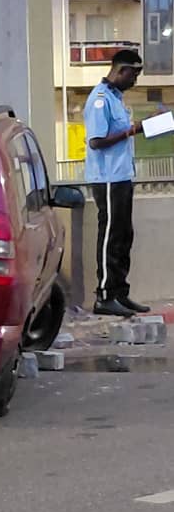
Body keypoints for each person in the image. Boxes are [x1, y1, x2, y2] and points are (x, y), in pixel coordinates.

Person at [83, 49, 150, 317]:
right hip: (108, 178)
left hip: (122, 176)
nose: (135, 81)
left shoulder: (115, 98)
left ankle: (120, 293)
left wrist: (138, 127)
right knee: (110, 236)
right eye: (133, 75)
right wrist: (132, 130)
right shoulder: (100, 99)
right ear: (121, 70)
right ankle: (104, 296)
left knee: (124, 236)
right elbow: (96, 142)